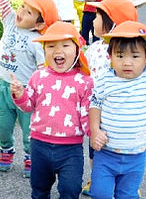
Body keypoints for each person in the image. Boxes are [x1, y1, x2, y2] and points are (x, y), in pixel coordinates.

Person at [89, 21, 146, 199]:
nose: (127, 62)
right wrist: (95, 130)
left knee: (128, 195)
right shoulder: (105, 79)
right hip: (106, 153)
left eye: (135, 56)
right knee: (100, 193)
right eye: (120, 55)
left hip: (136, 155)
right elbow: (95, 103)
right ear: (110, 57)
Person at [0, 0, 59, 178]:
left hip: (28, 91)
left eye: (29, 13)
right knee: (2, 124)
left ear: (39, 24)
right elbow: (2, 0)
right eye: (22, 7)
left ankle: (31, 155)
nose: (20, 12)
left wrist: (44, 91)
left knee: (29, 130)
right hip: (4, 87)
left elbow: (43, 69)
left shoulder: (38, 41)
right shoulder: (10, 20)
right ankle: (6, 148)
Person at [10, 21, 93, 199]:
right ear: (44, 50)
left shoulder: (84, 82)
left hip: (70, 149)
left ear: (77, 49)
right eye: (51, 46)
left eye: (65, 45)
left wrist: (95, 134)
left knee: (70, 189)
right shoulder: (38, 77)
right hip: (39, 145)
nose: (58, 50)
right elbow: (27, 106)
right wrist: (19, 94)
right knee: (39, 189)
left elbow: (87, 114)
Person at [81, 0, 138, 196]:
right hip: (98, 111)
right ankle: (97, 178)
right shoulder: (95, 48)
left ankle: (127, 181)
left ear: (111, 23)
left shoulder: (125, 54)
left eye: (97, 16)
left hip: (117, 113)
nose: (93, 20)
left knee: (114, 148)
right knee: (95, 148)